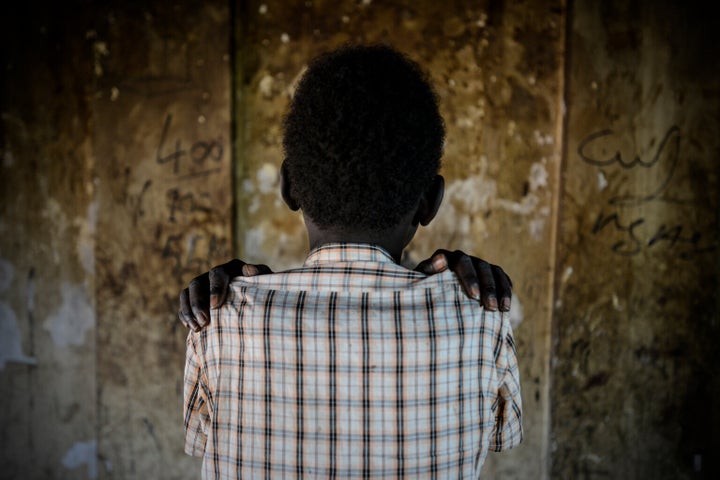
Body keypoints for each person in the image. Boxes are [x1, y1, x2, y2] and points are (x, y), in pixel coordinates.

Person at [181, 44, 522, 479]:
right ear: (430, 203)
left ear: (288, 188)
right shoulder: (482, 318)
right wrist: (436, 292)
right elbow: (502, 438)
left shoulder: (218, 322)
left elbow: (199, 441)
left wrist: (237, 300)